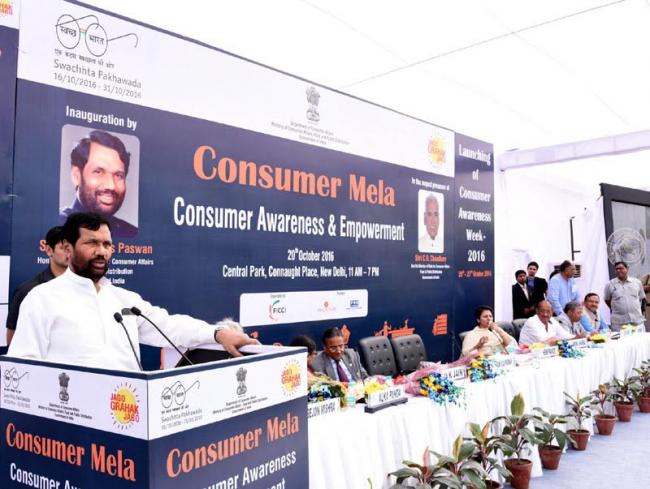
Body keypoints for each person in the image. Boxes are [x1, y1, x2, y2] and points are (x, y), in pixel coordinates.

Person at [8, 212, 257, 370]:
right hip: (70, 427)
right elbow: (23, 368)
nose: (101, 251)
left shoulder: (123, 299)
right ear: (67, 248)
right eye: (91, 243)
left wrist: (217, 333)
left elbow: (169, 326)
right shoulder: (41, 298)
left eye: (107, 244)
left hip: (128, 420)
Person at [60, 130, 137, 238]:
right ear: (76, 176)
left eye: (118, 176)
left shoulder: (131, 232)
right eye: (98, 172)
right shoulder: (58, 227)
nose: (111, 186)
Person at [5, 226, 69, 345]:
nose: (69, 253)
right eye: (63, 248)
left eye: (71, 248)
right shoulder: (28, 290)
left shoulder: (85, 287)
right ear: (49, 250)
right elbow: (13, 340)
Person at [604, 261, 645, 331]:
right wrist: (618, 308)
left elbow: (641, 297)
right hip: (619, 323)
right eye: (616, 269)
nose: (618, 270)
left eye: (621, 268)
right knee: (620, 338)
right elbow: (607, 300)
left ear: (627, 269)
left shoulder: (637, 282)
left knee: (640, 338)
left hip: (637, 321)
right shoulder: (609, 284)